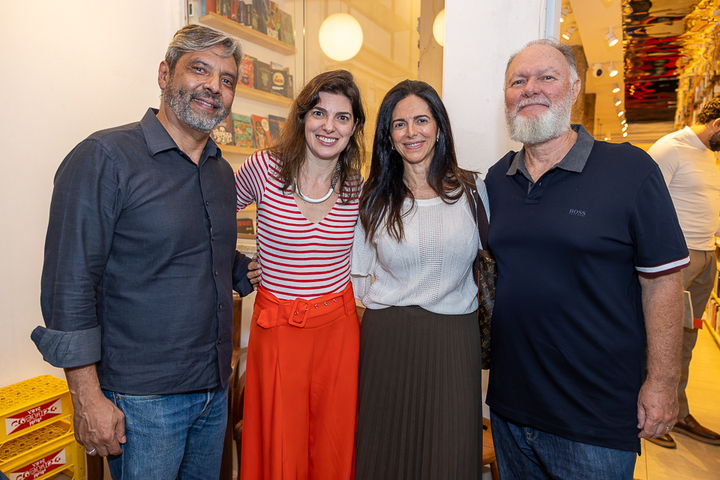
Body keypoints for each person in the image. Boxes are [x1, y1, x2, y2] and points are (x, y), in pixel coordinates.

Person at [31, 24, 253, 479]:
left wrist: (253, 270)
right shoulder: (105, 157)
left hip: (213, 391)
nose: (214, 87)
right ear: (164, 73)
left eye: (227, 79)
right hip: (142, 403)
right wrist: (87, 398)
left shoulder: (219, 172)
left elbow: (201, 255)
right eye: (200, 69)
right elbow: (69, 285)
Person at [485, 39, 690, 478]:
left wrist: (662, 382)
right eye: (517, 81)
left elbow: (664, 282)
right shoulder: (497, 180)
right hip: (510, 407)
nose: (530, 89)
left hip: (593, 418)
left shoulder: (630, 170)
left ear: (575, 87)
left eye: (547, 77)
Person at [234, 69, 366, 480]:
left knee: (334, 440)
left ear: (355, 127)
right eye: (319, 113)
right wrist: (239, 265)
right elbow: (211, 218)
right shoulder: (264, 168)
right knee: (278, 444)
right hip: (277, 331)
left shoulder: (355, 187)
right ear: (302, 117)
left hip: (338, 331)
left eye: (342, 118)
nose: (329, 126)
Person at [351, 80, 485, 479]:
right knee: (384, 453)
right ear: (388, 137)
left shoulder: (474, 192)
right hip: (388, 340)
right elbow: (358, 277)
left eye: (421, 120)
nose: (412, 132)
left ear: (439, 128)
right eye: (399, 124)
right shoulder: (373, 197)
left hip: (454, 342)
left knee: (449, 455)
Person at [646, 97, 720, 448]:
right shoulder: (670, 148)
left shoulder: (709, 155)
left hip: (707, 255)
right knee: (659, 336)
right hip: (678, 257)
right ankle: (646, 412)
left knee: (687, 338)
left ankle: (676, 410)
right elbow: (646, 204)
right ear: (718, 123)